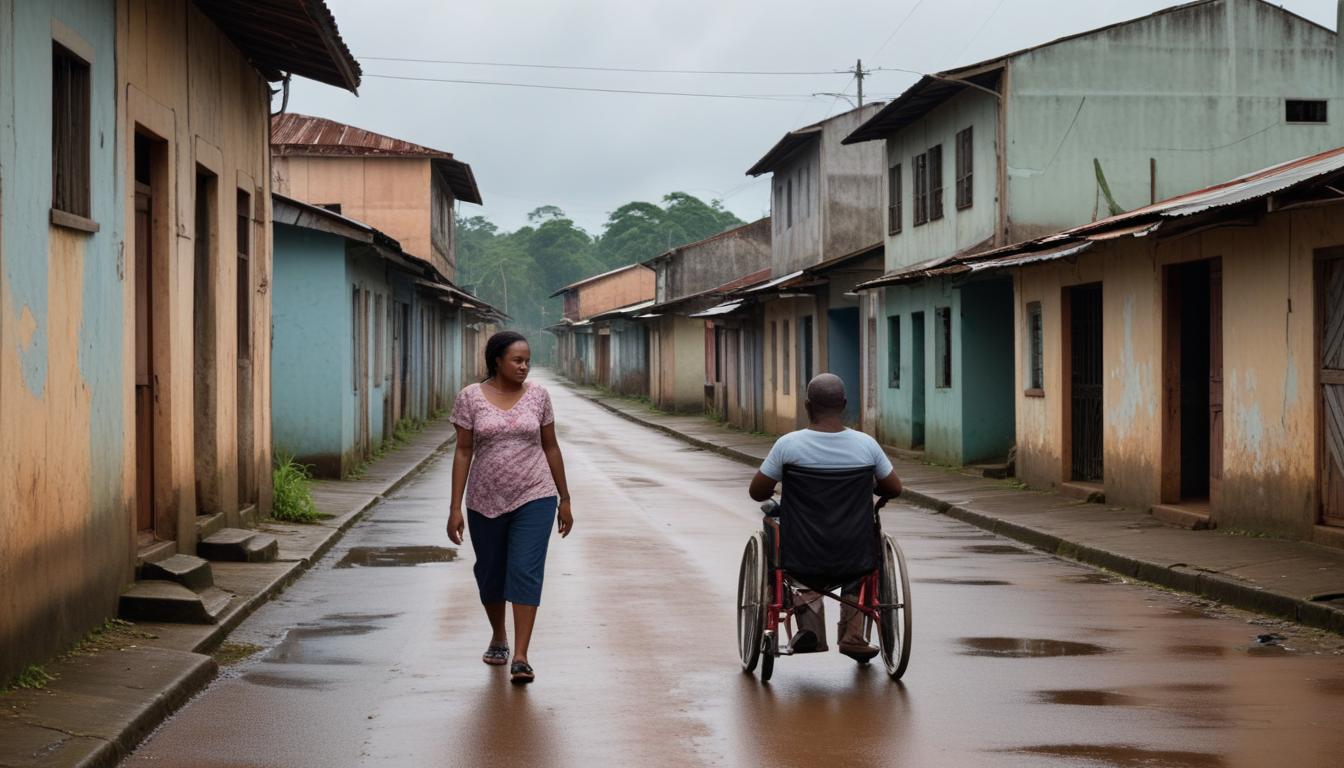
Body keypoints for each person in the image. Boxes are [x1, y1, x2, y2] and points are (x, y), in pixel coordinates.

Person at [447, 331, 574, 684]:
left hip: (535, 495)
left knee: (525, 569)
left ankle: (521, 655)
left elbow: (550, 447)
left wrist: (564, 498)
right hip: (484, 499)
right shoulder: (470, 398)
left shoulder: (539, 396)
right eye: (517, 360)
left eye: (527, 360)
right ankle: (499, 637)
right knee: (490, 571)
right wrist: (455, 507)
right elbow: (463, 451)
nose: (524, 366)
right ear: (497, 361)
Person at [748, 372, 902, 660]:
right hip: (855, 552)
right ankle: (853, 635)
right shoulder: (866, 445)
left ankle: (810, 628)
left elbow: (758, 492)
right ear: (843, 404)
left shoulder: (788, 445)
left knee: (774, 525)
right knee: (863, 561)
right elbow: (894, 488)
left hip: (801, 551)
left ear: (807, 406)